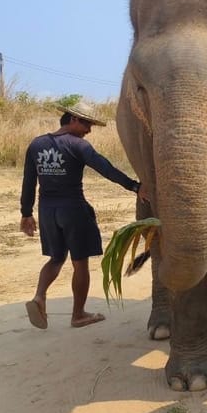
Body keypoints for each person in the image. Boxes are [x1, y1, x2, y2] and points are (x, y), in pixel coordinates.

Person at [20, 101, 147, 329]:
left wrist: (26, 213)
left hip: (47, 210)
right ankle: (78, 315)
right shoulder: (78, 146)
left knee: (56, 258)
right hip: (73, 210)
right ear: (74, 119)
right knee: (80, 264)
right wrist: (135, 187)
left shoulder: (36, 144)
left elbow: (29, 182)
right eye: (87, 124)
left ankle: (39, 296)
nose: (89, 130)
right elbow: (105, 168)